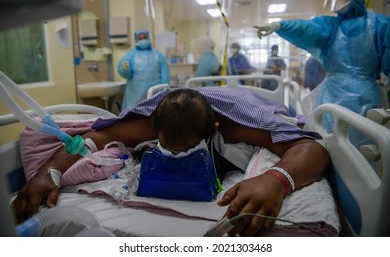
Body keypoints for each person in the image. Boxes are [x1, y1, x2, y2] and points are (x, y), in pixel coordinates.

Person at [12, 87, 330, 236]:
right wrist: (47, 173)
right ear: (155, 131)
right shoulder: (148, 121)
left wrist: (276, 180)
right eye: (169, 146)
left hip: (243, 98)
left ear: (213, 131)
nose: (177, 154)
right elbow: (90, 139)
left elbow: (310, 148)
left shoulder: (236, 124)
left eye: (187, 148)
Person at [254, 0, 390, 132]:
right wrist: (279, 26)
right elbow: (306, 29)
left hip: (365, 99)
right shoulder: (331, 27)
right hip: (331, 96)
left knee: (365, 148)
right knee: (329, 144)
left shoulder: (380, 26)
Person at [117, 29, 170, 110]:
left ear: (148, 38)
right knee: (135, 116)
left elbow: (165, 75)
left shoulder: (158, 55)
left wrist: (165, 91)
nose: (143, 40)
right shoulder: (131, 54)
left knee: (154, 114)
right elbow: (126, 74)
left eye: (144, 37)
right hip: (135, 94)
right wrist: (125, 69)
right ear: (136, 40)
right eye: (140, 38)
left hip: (155, 94)